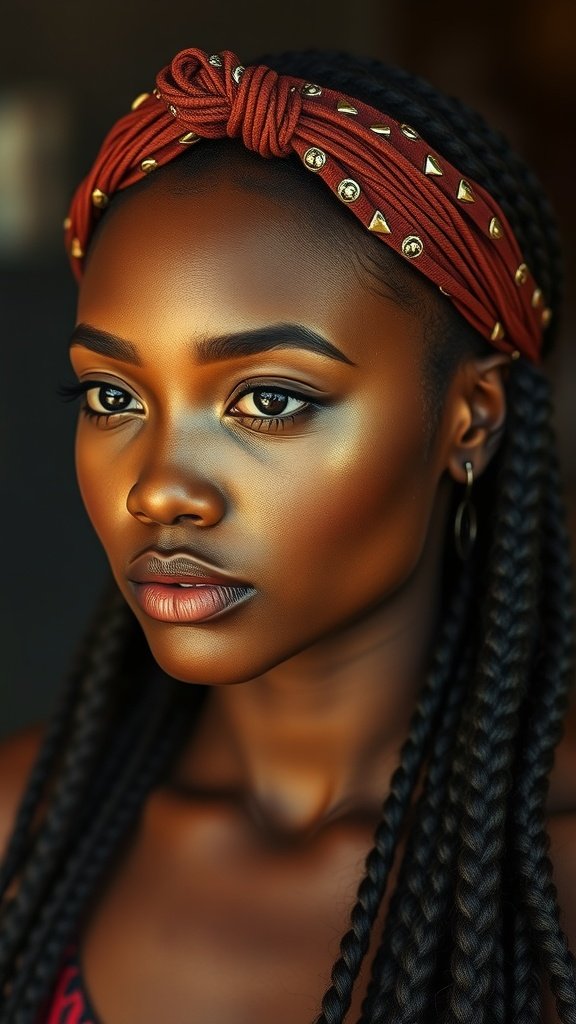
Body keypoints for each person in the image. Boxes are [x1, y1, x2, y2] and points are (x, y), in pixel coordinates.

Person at [0, 44, 575, 1024]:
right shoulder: (23, 827)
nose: (160, 490)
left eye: (268, 398)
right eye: (113, 394)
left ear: (468, 421)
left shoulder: (550, 876)